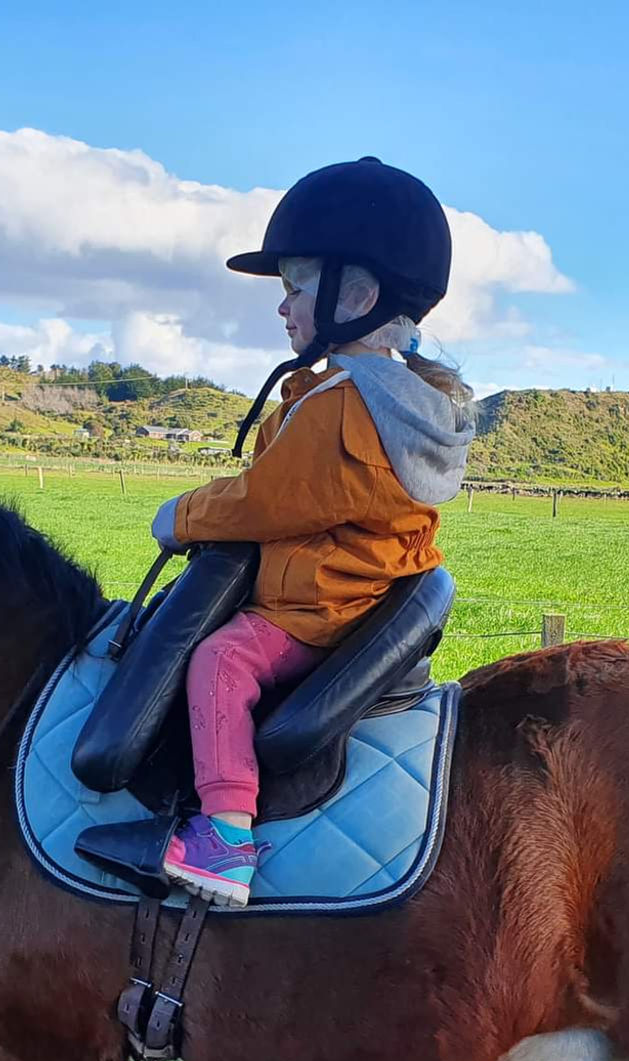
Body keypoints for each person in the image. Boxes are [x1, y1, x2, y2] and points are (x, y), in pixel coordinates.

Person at [150, 157, 473, 906]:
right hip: (361, 593)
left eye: (296, 286)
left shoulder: (342, 408)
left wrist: (181, 516)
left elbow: (267, 501)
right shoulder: (391, 398)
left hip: (319, 606)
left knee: (222, 660)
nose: (282, 304)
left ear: (355, 296)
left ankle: (226, 835)